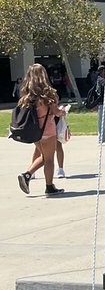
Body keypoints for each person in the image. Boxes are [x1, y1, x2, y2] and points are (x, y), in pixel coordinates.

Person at [15, 64, 66, 196]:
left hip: (34, 130)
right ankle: (48, 185)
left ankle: (27, 175)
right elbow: (55, 112)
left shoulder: (27, 95)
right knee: (49, 159)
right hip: (48, 129)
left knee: (44, 156)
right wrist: (62, 112)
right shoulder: (49, 93)